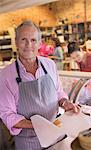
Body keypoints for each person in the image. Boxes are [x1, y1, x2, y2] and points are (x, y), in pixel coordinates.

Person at [0, 21, 80, 150]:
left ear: (39, 43)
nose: (28, 45)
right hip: (29, 142)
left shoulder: (50, 65)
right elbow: (8, 115)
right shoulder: (5, 75)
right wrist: (37, 125)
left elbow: (58, 92)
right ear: (16, 42)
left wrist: (65, 103)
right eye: (23, 39)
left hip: (56, 135)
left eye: (33, 40)